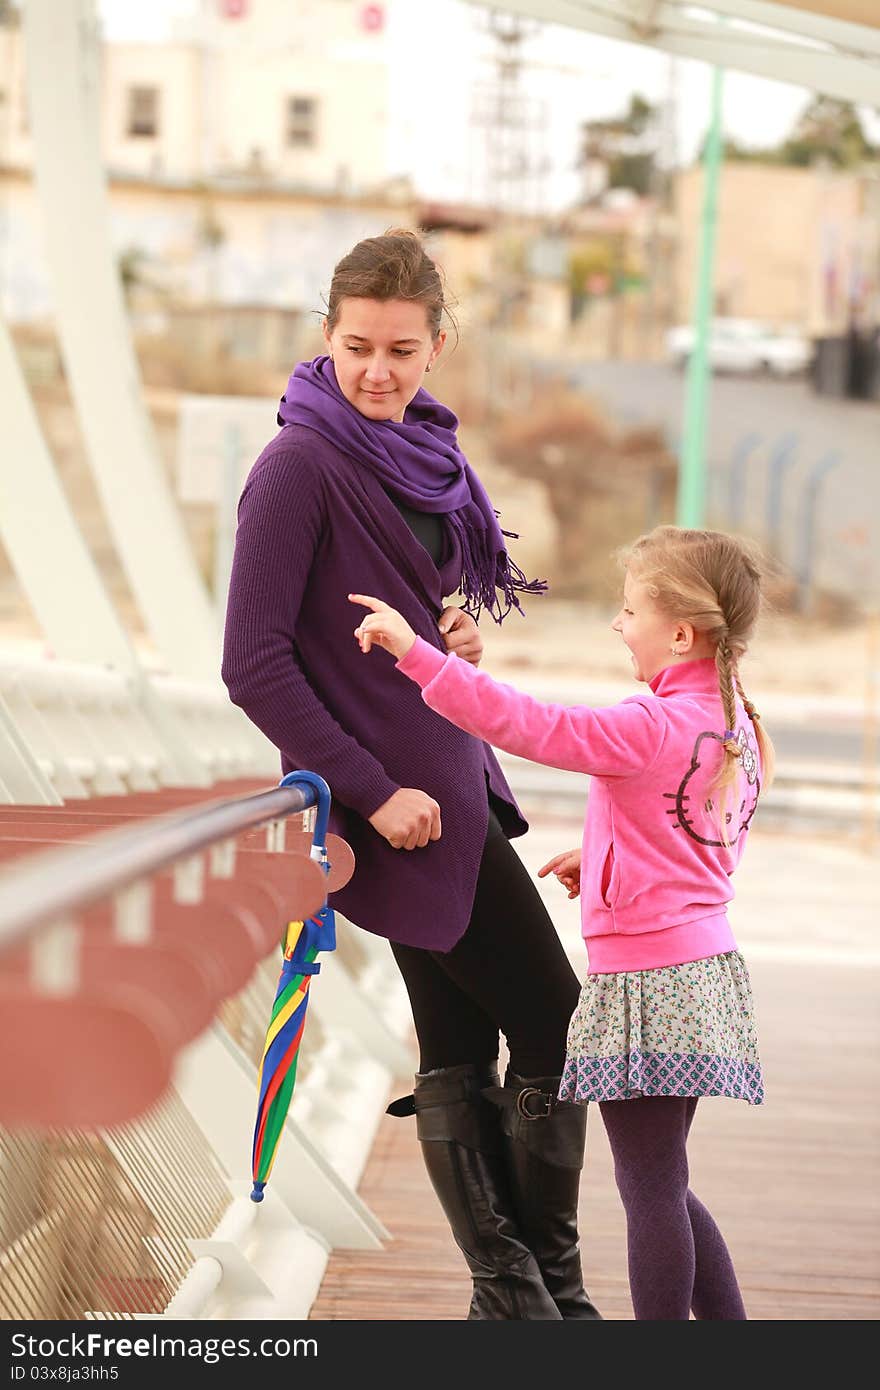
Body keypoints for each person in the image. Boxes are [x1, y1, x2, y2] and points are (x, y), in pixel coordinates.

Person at [222, 229, 601, 1320]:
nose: (375, 371)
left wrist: (451, 642)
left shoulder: (427, 449)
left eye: (398, 348)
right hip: (399, 802)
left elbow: (403, 602)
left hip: (451, 777)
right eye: (354, 347)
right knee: (556, 1016)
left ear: (437, 345)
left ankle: (510, 1303)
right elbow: (253, 661)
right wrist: (370, 791)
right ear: (326, 338)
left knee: (461, 1039)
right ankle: (545, 1299)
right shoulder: (299, 464)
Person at [350, 523, 774, 1321]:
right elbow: (697, 832)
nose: (619, 625)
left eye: (628, 611)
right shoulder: (732, 722)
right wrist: (606, 855)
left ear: (679, 632)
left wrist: (417, 655)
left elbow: (538, 728)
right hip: (705, 971)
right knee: (668, 1182)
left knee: (648, 1190)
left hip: (650, 982)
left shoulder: (648, 723)